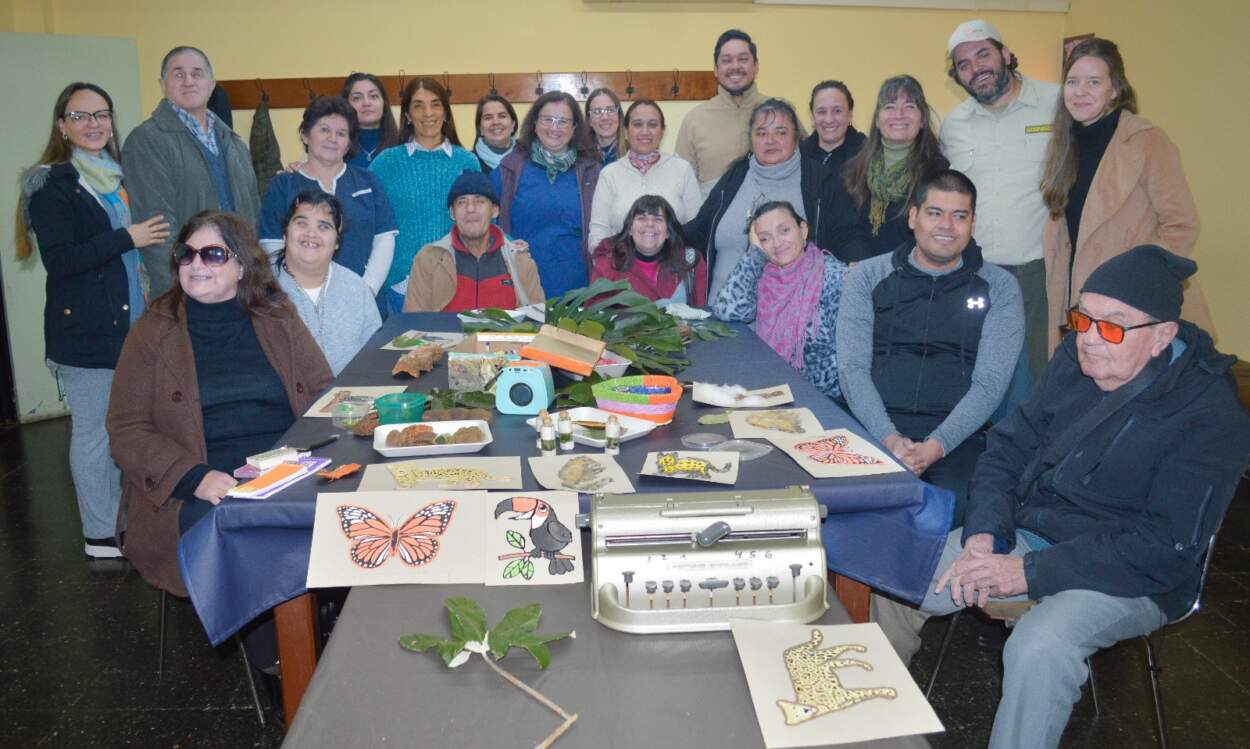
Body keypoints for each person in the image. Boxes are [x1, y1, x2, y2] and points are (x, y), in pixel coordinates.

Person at [874, 245, 1250, 749]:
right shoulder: (1077, 359)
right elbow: (1006, 448)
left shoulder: (1211, 416)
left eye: (1112, 327)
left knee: (1041, 646)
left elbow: (1164, 547)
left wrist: (1028, 573)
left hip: (1130, 574)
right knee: (899, 576)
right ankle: (869, 728)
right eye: (1082, 318)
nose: (1089, 338)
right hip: (1032, 533)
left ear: (1163, 336)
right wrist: (985, 533)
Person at [107, 211, 332, 597]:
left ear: (242, 266)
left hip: (286, 466)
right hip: (202, 478)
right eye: (186, 254)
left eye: (212, 254)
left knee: (348, 513)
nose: (196, 264)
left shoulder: (276, 314)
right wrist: (193, 477)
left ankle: (320, 620)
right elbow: (126, 429)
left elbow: (322, 391)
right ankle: (277, 634)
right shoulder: (153, 330)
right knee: (246, 536)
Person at [15, 82, 170, 559]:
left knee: (128, 427)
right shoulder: (52, 184)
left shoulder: (117, 176)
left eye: (101, 114)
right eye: (80, 116)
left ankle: (125, 519)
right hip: (85, 332)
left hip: (132, 324)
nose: (93, 124)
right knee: (94, 432)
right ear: (62, 125)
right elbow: (61, 260)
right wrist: (127, 237)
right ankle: (100, 534)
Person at [836, 170, 1023, 524]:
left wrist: (935, 447)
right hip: (871, 424)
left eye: (959, 216)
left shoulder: (1000, 287)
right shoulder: (868, 276)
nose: (946, 226)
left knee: (944, 515)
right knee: (847, 507)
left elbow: (990, 384)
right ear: (913, 218)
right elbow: (852, 369)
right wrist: (889, 439)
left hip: (957, 437)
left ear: (972, 223)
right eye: (935, 213)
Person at [1040, 38, 1207, 352]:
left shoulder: (1146, 141)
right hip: (1078, 304)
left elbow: (1182, 225)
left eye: (1093, 82)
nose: (1080, 91)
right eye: (1072, 82)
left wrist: (1131, 282)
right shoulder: (1064, 145)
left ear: (1115, 89)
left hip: (1134, 306)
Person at [941, 20, 1061, 382]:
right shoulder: (954, 125)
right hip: (977, 275)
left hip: (1037, 276)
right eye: (964, 64)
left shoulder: (1057, 104)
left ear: (1006, 55)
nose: (976, 68)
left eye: (983, 55)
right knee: (981, 376)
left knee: (1038, 375)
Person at [684, 97, 864, 301]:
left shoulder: (820, 180)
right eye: (761, 133)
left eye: (780, 132)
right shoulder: (735, 176)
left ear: (796, 137)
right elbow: (699, 229)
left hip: (791, 313)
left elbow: (848, 236)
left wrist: (856, 264)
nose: (770, 140)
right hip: (721, 312)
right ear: (751, 140)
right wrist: (661, 230)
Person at [122, 46, 260, 295]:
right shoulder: (147, 140)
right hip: (188, 292)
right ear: (162, 84)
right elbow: (157, 234)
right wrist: (181, 294)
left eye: (197, 73)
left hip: (238, 289)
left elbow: (253, 219)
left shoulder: (234, 143)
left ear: (211, 84)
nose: (188, 81)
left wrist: (253, 283)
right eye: (178, 74)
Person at [258, 96, 397, 309]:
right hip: (299, 304)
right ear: (305, 135)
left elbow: (384, 239)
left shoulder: (368, 181)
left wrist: (366, 290)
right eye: (324, 130)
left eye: (341, 133)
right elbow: (272, 245)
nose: (333, 138)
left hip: (363, 301)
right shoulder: (283, 184)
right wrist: (296, 294)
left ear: (349, 143)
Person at [712, 201, 846, 399]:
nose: (776, 243)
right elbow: (727, 310)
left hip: (824, 397)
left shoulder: (835, 276)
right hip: (770, 386)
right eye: (764, 238)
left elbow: (851, 358)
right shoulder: (763, 275)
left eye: (784, 230)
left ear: (803, 230)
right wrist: (754, 254)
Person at [369, 77, 481, 312]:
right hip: (404, 286)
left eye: (435, 104)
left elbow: (484, 220)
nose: (428, 113)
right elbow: (363, 214)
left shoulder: (467, 161)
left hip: (460, 281)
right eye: (418, 106)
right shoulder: (386, 162)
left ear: (446, 112)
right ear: (408, 115)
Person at [491, 91, 601, 297]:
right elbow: (489, 227)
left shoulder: (591, 172)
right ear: (535, 123)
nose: (554, 127)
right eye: (547, 119)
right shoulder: (509, 170)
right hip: (521, 288)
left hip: (579, 292)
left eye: (563, 121)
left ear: (574, 128)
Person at [404, 170, 543, 313]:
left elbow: (537, 318)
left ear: (495, 210)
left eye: (479, 201)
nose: (470, 209)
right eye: (462, 202)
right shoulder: (429, 259)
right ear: (452, 213)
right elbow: (414, 319)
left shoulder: (519, 260)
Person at [273, 191, 381, 375]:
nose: (311, 233)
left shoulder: (356, 288)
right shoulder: (261, 290)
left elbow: (375, 357)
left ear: (337, 242)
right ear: (285, 234)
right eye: (302, 223)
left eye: (323, 227)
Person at [844, 75, 949, 259]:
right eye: (889, 106)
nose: (899, 114)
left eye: (909, 106)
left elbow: (935, 236)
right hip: (863, 269)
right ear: (877, 120)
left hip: (914, 270)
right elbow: (847, 229)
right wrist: (863, 264)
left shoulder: (938, 174)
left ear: (922, 120)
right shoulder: (854, 169)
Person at [588, 99, 702, 249]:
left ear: (662, 131)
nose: (645, 131)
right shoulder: (609, 174)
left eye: (652, 125)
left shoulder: (682, 170)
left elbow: (697, 229)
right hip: (621, 262)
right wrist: (610, 261)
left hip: (674, 261)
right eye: (637, 124)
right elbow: (598, 233)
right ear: (626, 131)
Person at [676, 29, 769, 194]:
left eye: (743, 59)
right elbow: (681, 185)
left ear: (756, 66)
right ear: (716, 69)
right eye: (727, 60)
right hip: (713, 210)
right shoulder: (694, 120)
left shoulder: (780, 113)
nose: (735, 66)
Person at [591, 194, 707, 308]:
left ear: (668, 232)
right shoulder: (609, 263)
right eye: (642, 218)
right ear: (630, 229)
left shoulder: (690, 262)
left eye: (658, 219)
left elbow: (701, 312)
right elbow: (594, 312)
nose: (650, 224)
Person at [799, 80, 865, 177]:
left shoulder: (868, 155)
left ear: (850, 114)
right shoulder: (798, 157)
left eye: (837, 111)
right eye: (821, 111)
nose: (829, 119)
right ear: (812, 116)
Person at [341, 72, 400, 169]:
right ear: (346, 105)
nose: (366, 103)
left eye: (373, 96)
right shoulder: (337, 147)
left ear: (384, 103)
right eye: (357, 98)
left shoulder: (402, 147)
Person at [473, 94, 518, 173]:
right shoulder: (468, 162)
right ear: (480, 128)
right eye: (488, 118)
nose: (496, 122)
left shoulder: (530, 159)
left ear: (513, 124)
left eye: (502, 116)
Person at [586, 87, 625, 165]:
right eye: (597, 111)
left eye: (610, 110)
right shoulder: (580, 155)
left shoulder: (634, 151)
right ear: (589, 120)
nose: (605, 117)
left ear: (619, 116)